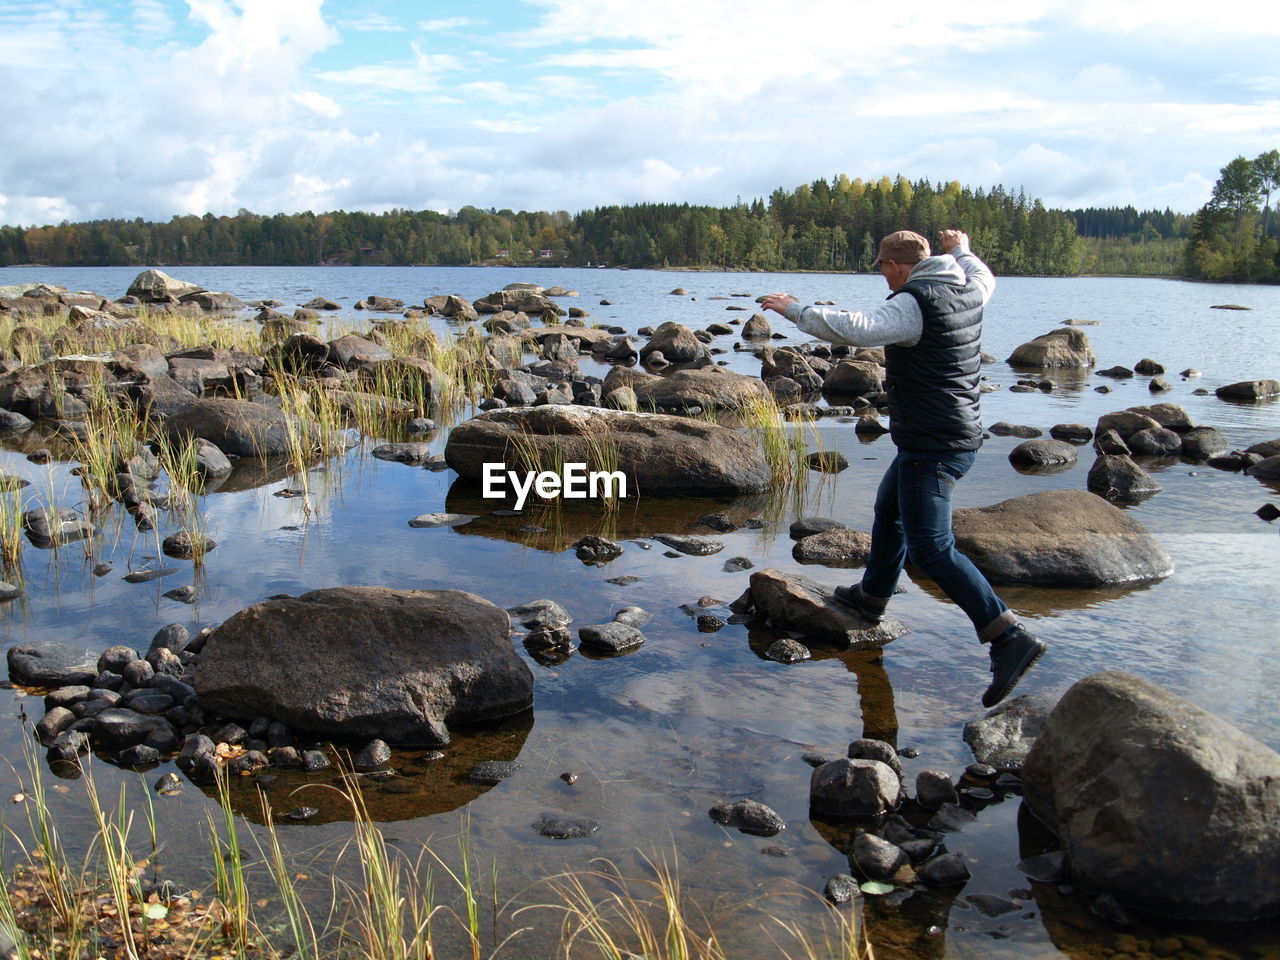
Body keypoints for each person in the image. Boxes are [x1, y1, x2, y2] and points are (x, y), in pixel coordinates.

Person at [761, 229, 1046, 708]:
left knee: (933, 550)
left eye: (882, 269)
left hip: (935, 443)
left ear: (895, 267)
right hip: (948, 433)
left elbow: (857, 328)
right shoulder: (967, 286)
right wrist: (962, 246)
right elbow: (985, 273)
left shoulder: (915, 303)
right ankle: (872, 597)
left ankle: (1007, 635)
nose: (883, 277)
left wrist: (795, 309)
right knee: (888, 508)